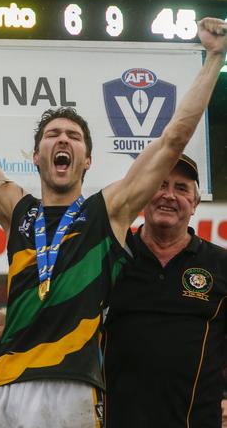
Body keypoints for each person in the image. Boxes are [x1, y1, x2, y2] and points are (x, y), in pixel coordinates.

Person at [0, 9, 227, 428]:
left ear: (87, 160)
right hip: (8, 383)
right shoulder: (18, 212)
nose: (63, 139)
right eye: (52, 134)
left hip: (72, 386)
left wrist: (213, 59)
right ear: (36, 157)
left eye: (74, 137)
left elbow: (173, 138)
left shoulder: (107, 213)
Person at [103, 154, 227, 427]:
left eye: (181, 188)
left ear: (194, 203)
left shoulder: (221, 265)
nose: (169, 195)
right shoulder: (110, 258)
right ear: (143, 194)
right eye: (160, 184)